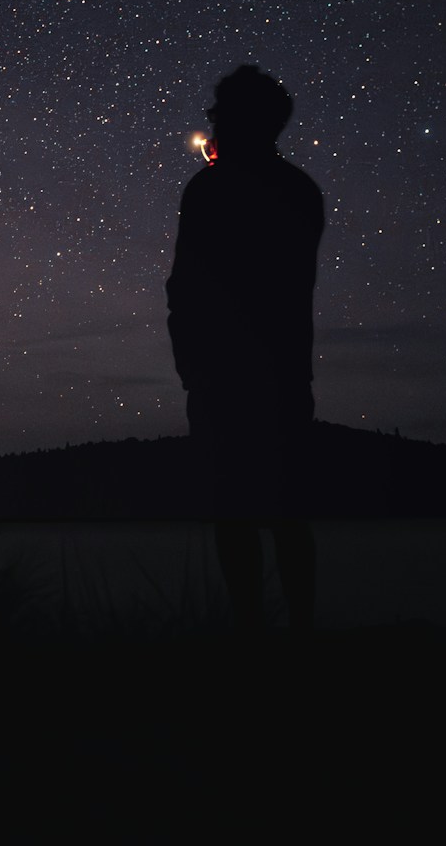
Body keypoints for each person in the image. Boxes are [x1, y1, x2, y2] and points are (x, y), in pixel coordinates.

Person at [165, 65, 322, 635]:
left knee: (235, 514)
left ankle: (251, 637)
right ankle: (299, 634)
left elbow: (189, 283)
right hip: (281, 370)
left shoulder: (211, 190)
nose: (211, 121)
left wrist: (190, 361)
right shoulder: (299, 189)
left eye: (220, 113)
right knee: (285, 513)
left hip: (224, 373)